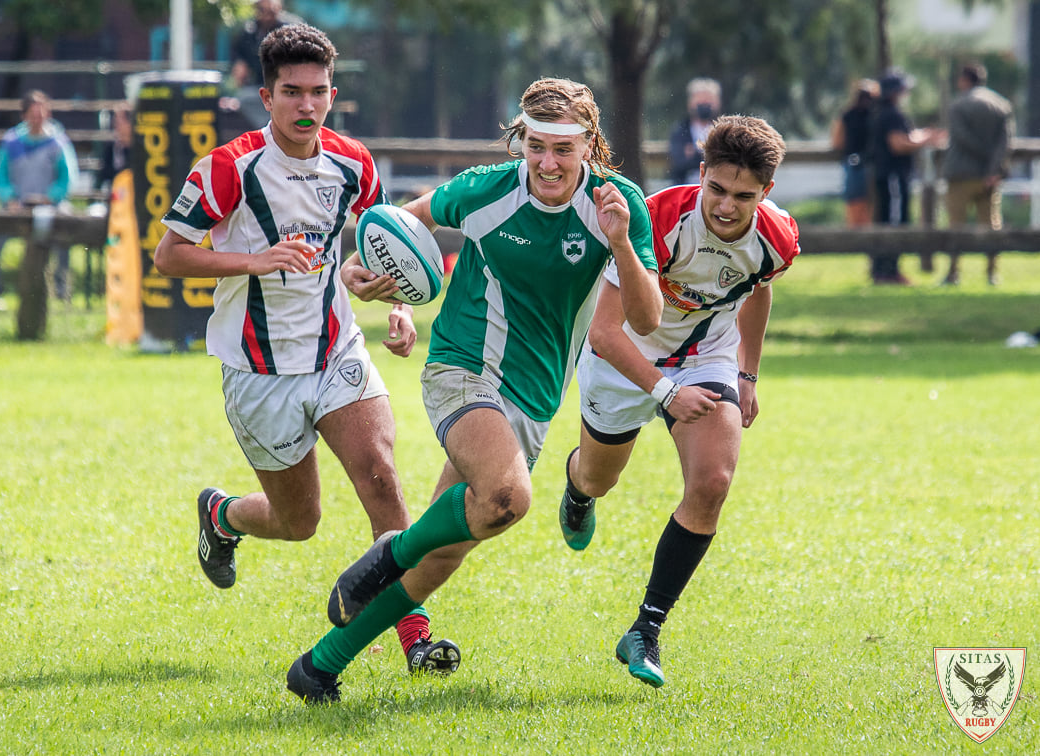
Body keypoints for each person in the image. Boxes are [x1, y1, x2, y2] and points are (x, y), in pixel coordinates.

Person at [284, 77, 664, 704]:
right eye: (535, 146)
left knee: (446, 552)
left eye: (563, 150)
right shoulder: (487, 189)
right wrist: (367, 272)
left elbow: (646, 320)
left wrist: (621, 240)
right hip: (464, 368)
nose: (547, 163)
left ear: (589, 147)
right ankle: (387, 554)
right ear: (522, 141)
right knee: (509, 497)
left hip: (534, 400)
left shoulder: (618, 204)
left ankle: (320, 666)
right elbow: (397, 225)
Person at [154, 24, 460, 678]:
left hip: (335, 351)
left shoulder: (354, 162)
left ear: (333, 93)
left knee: (381, 475)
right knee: (300, 522)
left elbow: (382, 244)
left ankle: (415, 635)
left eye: (317, 92)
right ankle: (223, 514)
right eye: (291, 92)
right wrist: (254, 261)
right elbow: (170, 254)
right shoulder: (228, 168)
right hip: (259, 372)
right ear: (266, 95)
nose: (306, 106)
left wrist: (397, 304)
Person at [556, 115, 800, 689]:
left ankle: (646, 628)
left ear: (766, 192)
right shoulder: (660, 220)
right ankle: (576, 489)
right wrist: (665, 391)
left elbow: (757, 291)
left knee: (712, 482)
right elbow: (605, 333)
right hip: (624, 357)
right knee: (597, 478)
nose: (725, 206)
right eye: (716, 189)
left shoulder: (778, 238)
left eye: (744, 196)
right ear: (700, 176)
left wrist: (747, 373)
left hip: (706, 356)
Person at [0, 90, 78, 308]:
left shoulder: (58, 142)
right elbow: (1, 176)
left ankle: (62, 290)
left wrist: (51, 197)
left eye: (42, 113)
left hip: (50, 206)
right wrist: (10, 199)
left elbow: (67, 178)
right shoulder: (11, 142)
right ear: (24, 115)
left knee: (66, 231)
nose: (38, 118)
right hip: (17, 206)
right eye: (33, 114)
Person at [941, 62, 1014, 286]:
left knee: (956, 225)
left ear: (965, 80)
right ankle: (992, 273)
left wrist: (984, 159)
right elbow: (1005, 142)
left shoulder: (958, 105)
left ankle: (953, 273)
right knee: (991, 224)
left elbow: (962, 138)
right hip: (989, 177)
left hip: (961, 174)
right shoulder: (1001, 105)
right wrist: (994, 169)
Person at [870, 68, 945, 285]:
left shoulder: (885, 112)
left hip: (890, 175)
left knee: (892, 219)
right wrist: (926, 141)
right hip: (893, 176)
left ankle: (886, 269)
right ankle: (888, 270)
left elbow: (905, 136)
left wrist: (922, 136)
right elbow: (898, 144)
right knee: (894, 222)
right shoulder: (891, 113)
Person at [229, 0, 304, 127]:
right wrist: (239, 67)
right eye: (262, 10)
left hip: (289, 85)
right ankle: (271, 127)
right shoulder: (250, 31)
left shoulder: (292, 28)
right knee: (243, 98)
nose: (267, 15)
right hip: (260, 87)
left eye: (271, 11)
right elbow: (239, 59)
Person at [831, 78, 878, 228]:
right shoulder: (877, 114)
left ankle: (855, 239)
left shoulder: (847, 115)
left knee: (855, 205)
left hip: (854, 164)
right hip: (874, 164)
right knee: (872, 206)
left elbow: (837, 142)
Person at [668, 78, 721, 186]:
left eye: (708, 100)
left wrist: (694, 153)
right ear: (691, 102)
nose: (704, 104)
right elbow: (678, 163)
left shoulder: (723, 130)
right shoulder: (680, 130)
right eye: (700, 100)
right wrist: (710, 153)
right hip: (685, 187)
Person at [97, 103, 133, 194]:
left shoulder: (141, 149)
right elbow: (103, 176)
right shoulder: (112, 149)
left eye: (119, 122)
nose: (115, 126)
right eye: (115, 122)